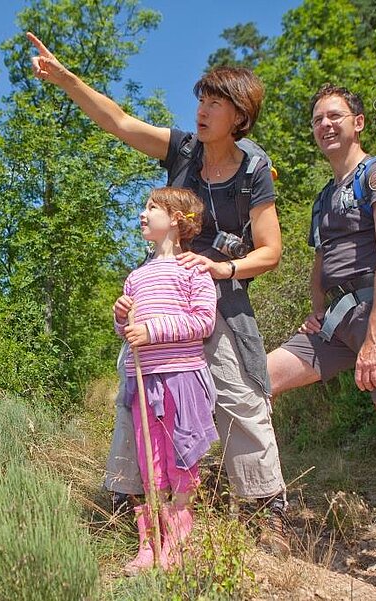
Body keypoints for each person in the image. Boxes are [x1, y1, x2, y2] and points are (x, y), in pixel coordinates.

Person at [27, 32, 291, 555]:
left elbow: (272, 251)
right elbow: (118, 122)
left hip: (217, 294)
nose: (203, 109)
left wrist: (222, 269)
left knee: (240, 396)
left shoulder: (254, 171)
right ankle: (131, 499)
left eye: (217, 102)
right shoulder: (183, 151)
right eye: (202, 98)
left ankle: (265, 508)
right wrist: (67, 80)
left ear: (240, 115)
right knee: (135, 390)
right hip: (161, 291)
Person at [266, 84, 376, 601]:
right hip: (337, 321)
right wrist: (317, 312)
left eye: (335, 116)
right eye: (317, 118)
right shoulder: (327, 195)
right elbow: (321, 263)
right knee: (255, 384)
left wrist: (375, 340)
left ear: (359, 122)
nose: (325, 124)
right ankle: (267, 508)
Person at [115, 187, 219, 574]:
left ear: (176, 219)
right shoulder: (136, 276)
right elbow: (126, 329)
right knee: (150, 461)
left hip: (182, 377)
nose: (143, 214)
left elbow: (203, 322)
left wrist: (152, 329)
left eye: (151, 208)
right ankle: (150, 544)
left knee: (182, 456)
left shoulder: (194, 269)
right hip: (143, 378)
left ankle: (179, 540)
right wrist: (121, 315)